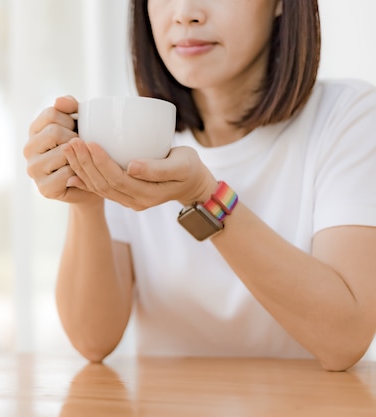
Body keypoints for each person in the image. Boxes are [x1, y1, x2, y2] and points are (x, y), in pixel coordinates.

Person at [23, 0, 376, 371]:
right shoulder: (128, 132)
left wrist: (205, 196)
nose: (185, 13)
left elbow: (344, 340)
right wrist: (87, 201)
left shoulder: (347, 116)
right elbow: (92, 340)